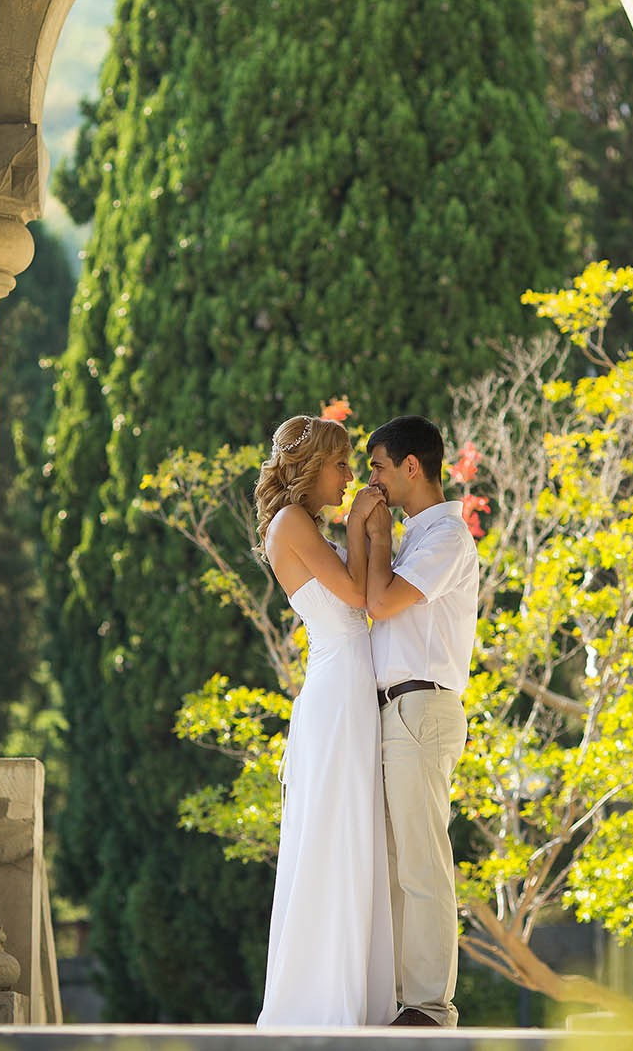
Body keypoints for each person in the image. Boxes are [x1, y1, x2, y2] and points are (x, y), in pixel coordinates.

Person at [255, 413, 397, 1028]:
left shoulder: (302, 523)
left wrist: (357, 524)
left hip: (347, 685)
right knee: (335, 836)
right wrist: (364, 525)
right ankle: (320, 1000)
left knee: (352, 833)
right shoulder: (289, 523)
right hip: (338, 689)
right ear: (311, 468)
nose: (348, 476)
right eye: (341, 465)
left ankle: (354, 992)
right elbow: (360, 596)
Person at [363, 415, 480, 1029]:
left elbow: (381, 602)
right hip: (392, 712)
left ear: (413, 466)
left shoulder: (444, 540)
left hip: (420, 708)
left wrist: (377, 532)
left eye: (378, 466)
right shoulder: (415, 538)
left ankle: (431, 1007)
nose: (371, 480)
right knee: (394, 869)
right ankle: (406, 1000)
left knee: (422, 866)